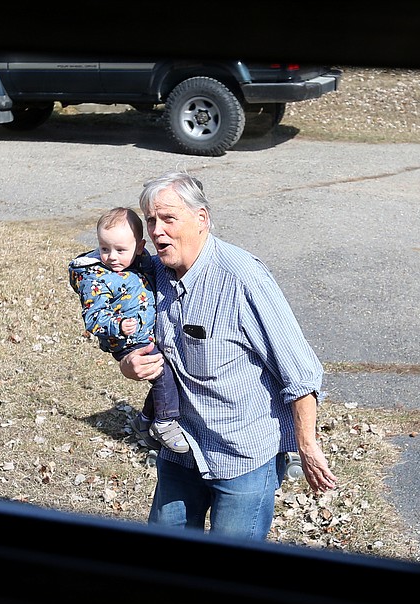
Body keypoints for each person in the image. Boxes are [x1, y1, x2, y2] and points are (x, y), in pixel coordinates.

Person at [120, 171, 337, 541]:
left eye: (169, 219)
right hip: (181, 446)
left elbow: (299, 370)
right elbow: (106, 287)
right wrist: (128, 363)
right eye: (151, 221)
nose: (157, 232)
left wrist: (307, 445)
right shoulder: (153, 273)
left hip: (242, 458)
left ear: (201, 219)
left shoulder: (241, 278)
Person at [69, 207, 190, 454]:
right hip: (126, 339)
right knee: (162, 373)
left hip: (145, 332)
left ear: (139, 246)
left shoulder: (140, 263)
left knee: (172, 372)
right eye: (105, 249)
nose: (112, 257)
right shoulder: (96, 278)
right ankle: (165, 422)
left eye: (120, 250)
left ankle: (145, 420)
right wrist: (119, 325)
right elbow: (94, 317)